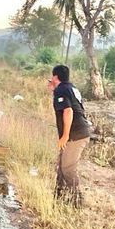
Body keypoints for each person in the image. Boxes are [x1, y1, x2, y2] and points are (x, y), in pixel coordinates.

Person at [48, 64, 91, 207]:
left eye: (52, 77)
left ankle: (77, 200)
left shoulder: (61, 90)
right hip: (79, 131)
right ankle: (59, 195)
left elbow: (68, 111)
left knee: (68, 168)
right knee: (60, 165)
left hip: (75, 135)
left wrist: (65, 136)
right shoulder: (70, 88)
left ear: (55, 76)